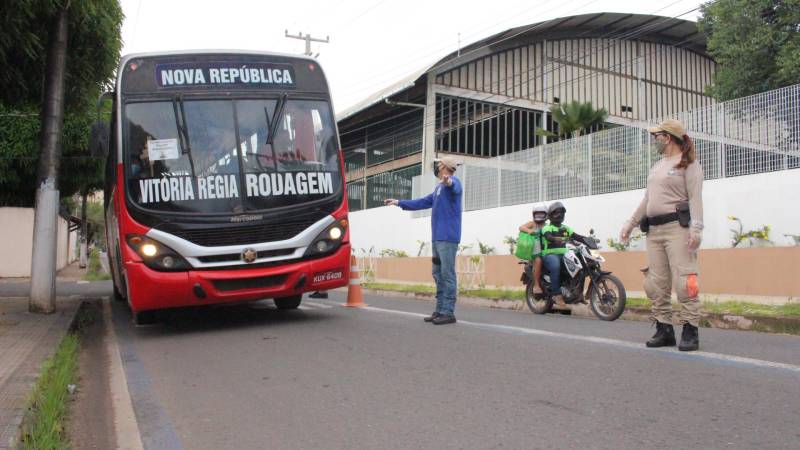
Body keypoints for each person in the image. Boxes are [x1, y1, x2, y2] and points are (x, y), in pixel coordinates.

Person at [619, 119, 703, 352]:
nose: (654, 140)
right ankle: (664, 328)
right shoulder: (657, 166)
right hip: (654, 231)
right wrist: (630, 224)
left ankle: (690, 329)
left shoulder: (689, 164)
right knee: (656, 284)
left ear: (667, 137)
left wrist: (696, 228)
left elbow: (696, 198)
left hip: (678, 228)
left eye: (657, 136)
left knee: (685, 281)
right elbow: (647, 199)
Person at [384, 156, 463, 325]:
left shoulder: (453, 183)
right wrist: (398, 202)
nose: (436, 166)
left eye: (438, 164)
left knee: (447, 274)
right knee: (438, 274)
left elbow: (455, 187)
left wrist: (449, 182)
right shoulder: (438, 189)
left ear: (443, 166)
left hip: (448, 238)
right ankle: (440, 310)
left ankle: (449, 312)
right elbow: (421, 202)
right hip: (437, 238)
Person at [540, 201, 590, 308]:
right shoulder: (547, 228)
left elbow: (577, 237)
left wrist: (588, 240)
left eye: (561, 212)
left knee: (580, 267)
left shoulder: (565, 229)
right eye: (556, 213)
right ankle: (556, 295)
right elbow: (548, 237)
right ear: (550, 215)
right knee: (555, 265)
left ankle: (578, 294)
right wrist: (555, 239)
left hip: (564, 254)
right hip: (550, 255)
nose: (559, 215)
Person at [519, 204, 548, 295]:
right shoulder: (532, 224)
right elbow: (521, 227)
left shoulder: (547, 226)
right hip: (535, 252)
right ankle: (536, 285)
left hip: (546, 250)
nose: (539, 216)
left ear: (546, 215)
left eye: (541, 214)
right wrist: (529, 231)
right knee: (538, 260)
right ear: (534, 214)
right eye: (537, 214)